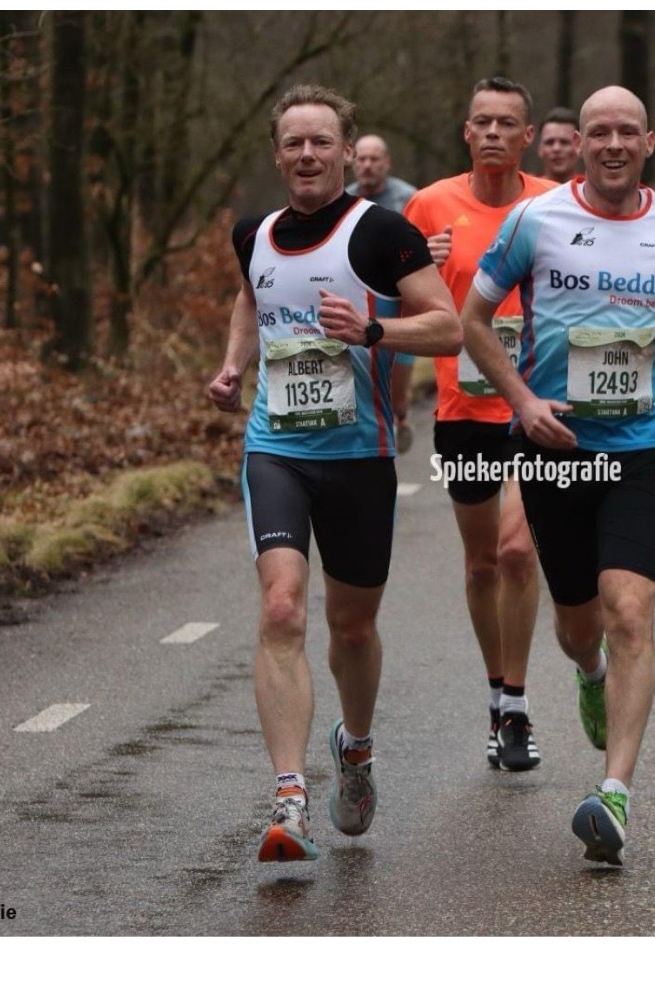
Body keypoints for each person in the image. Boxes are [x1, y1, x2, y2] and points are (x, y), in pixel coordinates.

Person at [461, 85, 655, 866]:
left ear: (649, 142)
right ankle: (589, 672)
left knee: (629, 608)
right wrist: (520, 400)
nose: (612, 144)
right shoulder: (535, 221)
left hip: (642, 449)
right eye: (599, 131)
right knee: (579, 625)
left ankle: (614, 795)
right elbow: (473, 321)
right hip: (555, 449)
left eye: (627, 133)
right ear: (583, 141)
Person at [208, 84, 460, 863]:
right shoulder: (253, 232)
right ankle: (290, 793)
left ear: (348, 153)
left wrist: (376, 327)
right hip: (277, 448)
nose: (308, 155)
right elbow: (250, 303)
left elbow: (448, 325)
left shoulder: (382, 231)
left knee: (351, 625)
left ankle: (354, 746)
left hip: (360, 457)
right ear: (277, 153)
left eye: (322, 142)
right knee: (282, 609)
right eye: (294, 143)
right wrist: (230, 367)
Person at [402, 78, 557, 773]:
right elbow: (396, 307)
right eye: (482, 123)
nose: (494, 133)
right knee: (481, 563)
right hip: (462, 410)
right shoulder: (428, 205)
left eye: (508, 124)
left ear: (528, 137)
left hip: (535, 405)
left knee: (520, 552)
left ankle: (519, 706)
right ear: (466, 132)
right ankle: (495, 695)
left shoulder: (554, 203)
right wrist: (418, 273)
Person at [347, 135, 419, 453]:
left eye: (374, 159)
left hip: (401, 306)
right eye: (361, 159)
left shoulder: (409, 199)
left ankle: (400, 414)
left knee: (397, 390)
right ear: (352, 162)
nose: (367, 165)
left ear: (386, 163)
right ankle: (373, 441)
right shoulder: (342, 200)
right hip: (358, 304)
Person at [535, 106, 580, 184]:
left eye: (564, 142)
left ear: (579, 147)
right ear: (540, 149)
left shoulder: (593, 192)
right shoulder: (528, 193)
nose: (556, 148)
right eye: (549, 142)